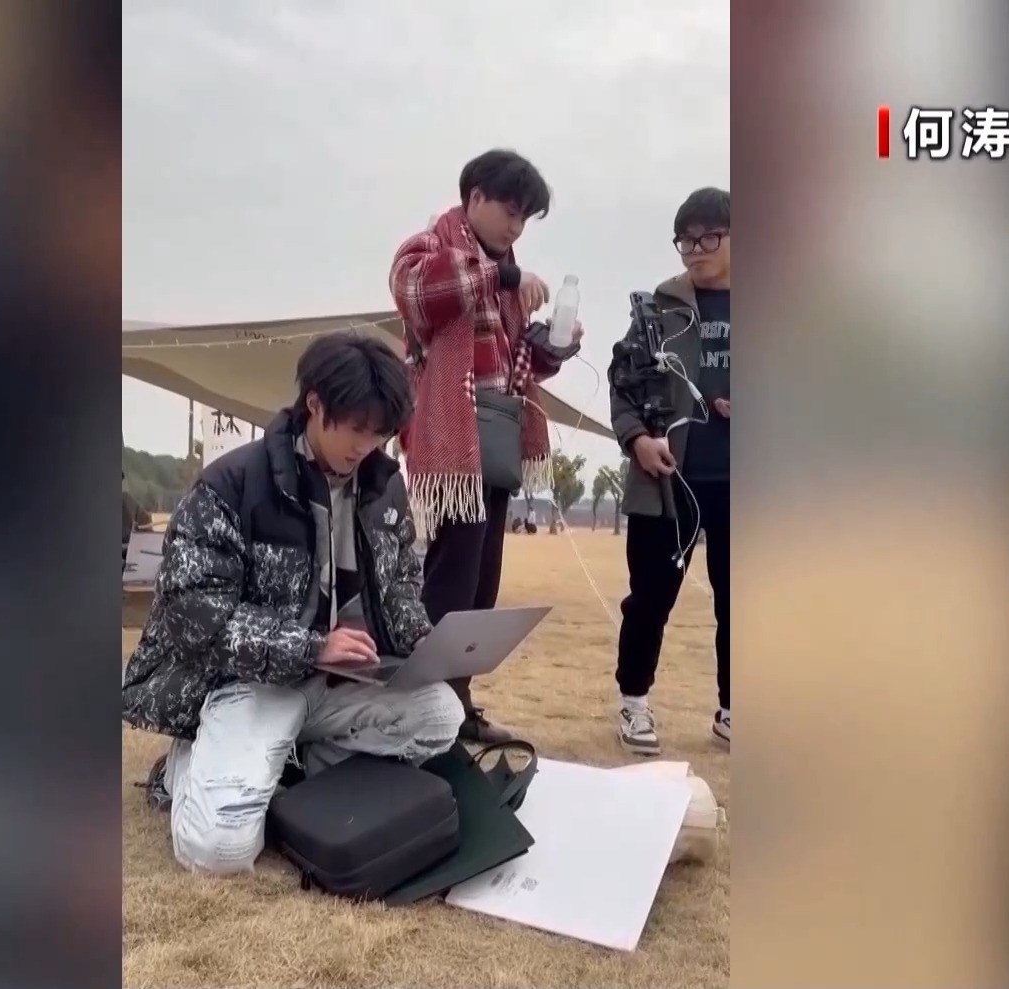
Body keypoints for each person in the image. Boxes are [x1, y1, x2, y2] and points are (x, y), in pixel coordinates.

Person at [122, 332, 465, 875]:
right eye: (356, 428)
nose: (366, 446)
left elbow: (399, 584)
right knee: (220, 853)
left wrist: (425, 641)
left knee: (443, 714)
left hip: (344, 684)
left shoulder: (383, 488)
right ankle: (183, 767)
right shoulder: (232, 485)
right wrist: (309, 648)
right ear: (315, 405)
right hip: (251, 682)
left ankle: (299, 767)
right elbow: (194, 612)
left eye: (380, 433)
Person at [388, 148, 583, 744]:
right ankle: (429, 709)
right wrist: (505, 277)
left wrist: (553, 345)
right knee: (452, 578)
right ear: (474, 197)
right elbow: (418, 293)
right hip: (451, 446)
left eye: (525, 217)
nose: (516, 227)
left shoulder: (505, 275)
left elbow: (518, 365)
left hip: (494, 441)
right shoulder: (429, 246)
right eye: (510, 210)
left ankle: (454, 702)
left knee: (481, 580)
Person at [608, 187, 732, 755]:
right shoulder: (657, 310)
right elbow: (623, 384)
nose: (695, 250)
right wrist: (636, 439)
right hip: (666, 480)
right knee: (650, 598)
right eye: (686, 240)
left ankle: (733, 709)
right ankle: (633, 702)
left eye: (709, 238)